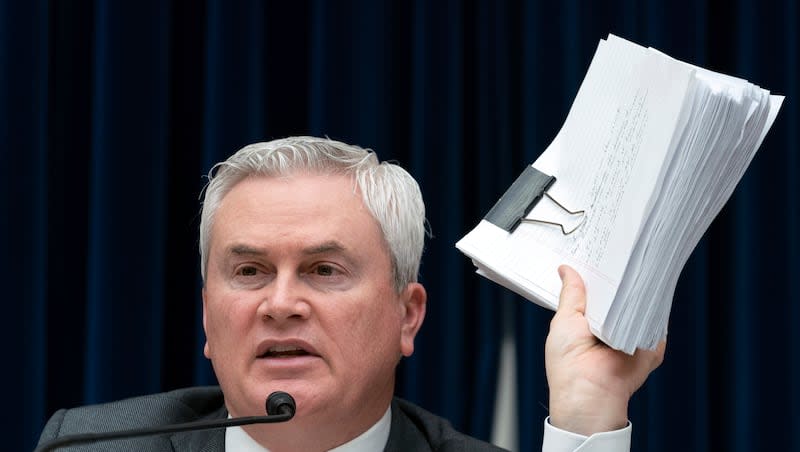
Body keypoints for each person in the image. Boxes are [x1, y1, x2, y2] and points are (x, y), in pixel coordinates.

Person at [37, 137, 665, 451]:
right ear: (207, 315)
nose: (280, 303)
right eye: (250, 271)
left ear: (407, 316)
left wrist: (586, 420)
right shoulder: (92, 447)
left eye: (324, 270)